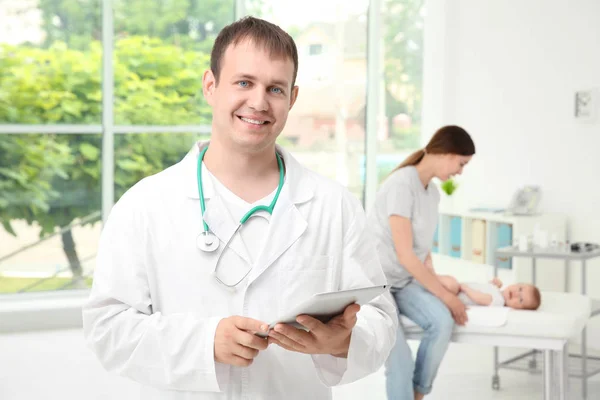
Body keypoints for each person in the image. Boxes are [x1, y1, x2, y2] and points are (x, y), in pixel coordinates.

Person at [82, 16, 397, 400]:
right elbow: (108, 327)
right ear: (210, 86)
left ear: (292, 99)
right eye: (244, 82)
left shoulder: (335, 206)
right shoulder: (145, 204)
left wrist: (341, 342)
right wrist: (205, 342)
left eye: (276, 88)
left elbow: (380, 317)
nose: (259, 102)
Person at [367, 125, 476, 400]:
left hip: (403, 281)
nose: (460, 172)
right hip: (376, 284)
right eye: (461, 163)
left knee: (442, 322)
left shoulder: (433, 193)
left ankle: (417, 394)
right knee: (400, 361)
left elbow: (422, 249)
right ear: (447, 152)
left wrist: (435, 281)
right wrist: (445, 296)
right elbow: (405, 254)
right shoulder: (401, 185)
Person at [437, 276, 542, 310]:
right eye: (519, 289)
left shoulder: (499, 301)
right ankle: (426, 278)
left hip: (457, 294)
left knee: (451, 283)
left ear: (517, 308)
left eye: (520, 300)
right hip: (456, 291)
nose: (516, 294)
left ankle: (426, 277)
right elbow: (484, 289)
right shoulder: (498, 293)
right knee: (449, 283)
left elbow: (480, 298)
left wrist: (465, 289)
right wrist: (493, 285)